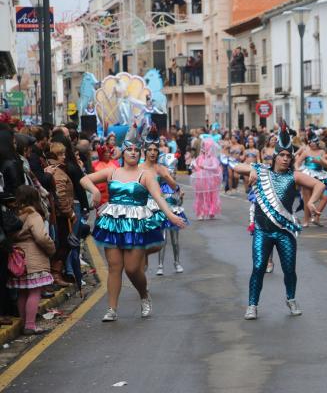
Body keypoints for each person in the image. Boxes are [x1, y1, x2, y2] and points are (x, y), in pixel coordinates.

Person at [80, 136, 186, 322]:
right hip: (113, 222)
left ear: (140, 154)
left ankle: (144, 295)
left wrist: (171, 216)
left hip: (136, 225)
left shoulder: (146, 175)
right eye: (130, 150)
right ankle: (112, 308)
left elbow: (159, 198)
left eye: (137, 151)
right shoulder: (112, 172)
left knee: (131, 269)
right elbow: (84, 179)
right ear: (123, 152)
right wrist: (95, 191)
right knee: (114, 267)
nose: (133, 153)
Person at [233, 126, 325, 320]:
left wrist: (311, 201)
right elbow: (236, 167)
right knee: (258, 267)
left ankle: (291, 299)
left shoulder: (294, 176)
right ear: (274, 156)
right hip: (262, 230)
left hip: (284, 232)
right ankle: (252, 305)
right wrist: (252, 172)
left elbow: (319, 184)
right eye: (282, 155)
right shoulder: (261, 170)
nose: (285, 158)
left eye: (288, 156)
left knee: (289, 269)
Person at [7, 186, 55, 335]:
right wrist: (51, 248)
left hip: (17, 257)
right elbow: (41, 237)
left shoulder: (14, 214)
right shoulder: (33, 215)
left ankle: (24, 324)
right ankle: (30, 325)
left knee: (22, 292)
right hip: (33, 257)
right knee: (35, 292)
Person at [140, 131, 186, 275]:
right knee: (142, 244)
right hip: (142, 208)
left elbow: (173, 184)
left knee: (165, 238)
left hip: (161, 205)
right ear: (145, 151)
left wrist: (178, 191)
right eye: (150, 150)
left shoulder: (160, 168)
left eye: (155, 150)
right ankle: (144, 274)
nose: (153, 152)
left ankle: (173, 263)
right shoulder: (138, 168)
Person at [45, 142, 75, 288]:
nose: (64, 157)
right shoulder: (56, 171)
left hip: (61, 214)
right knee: (64, 243)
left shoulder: (58, 169)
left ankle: (57, 273)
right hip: (61, 215)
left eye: (64, 153)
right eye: (61, 154)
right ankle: (56, 274)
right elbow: (60, 195)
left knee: (65, 243)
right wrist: (70, 213)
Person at [295, 129, 327, 227]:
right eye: (310, 142)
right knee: (307, 199)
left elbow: (326, 164)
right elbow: (297, 162)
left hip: (320, 175)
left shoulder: (322, 152)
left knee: (325, 197)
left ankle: (316, 217)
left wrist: (319, 162)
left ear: (317, 142)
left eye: (314, 142)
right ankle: (306, 221)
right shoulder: (306, 152)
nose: (312, 144)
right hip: (307, 175)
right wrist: (298, 169)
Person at [192, 138, 222, 220]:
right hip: (201, 179)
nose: (203, 147)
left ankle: (211, 210)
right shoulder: (200, 157)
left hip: (211, 180)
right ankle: (201, 213)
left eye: (205, 146)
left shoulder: (213, 158)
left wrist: (205, 167)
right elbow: (195, 164)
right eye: (203, 146)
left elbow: (215, 167)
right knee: (200, 196)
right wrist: (194, 166)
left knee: (211, 195)